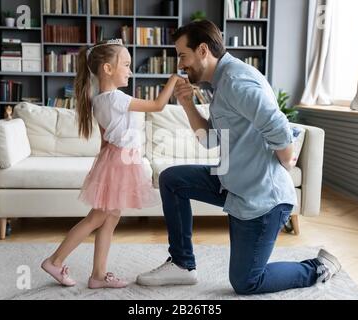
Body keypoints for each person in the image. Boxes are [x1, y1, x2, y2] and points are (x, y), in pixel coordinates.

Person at [136, 21, 341, 294]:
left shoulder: (235, 81)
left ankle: (318, 267)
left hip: (262, 200)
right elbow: (210, 140)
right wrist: (187, 104)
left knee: (246, 282)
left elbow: (278, 126)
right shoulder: (221, 83)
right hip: (232, 183)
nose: (181, 64)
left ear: (202, 50)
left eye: (183, 55)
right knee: (172, 179)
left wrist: (287, 160)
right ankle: (183, 264)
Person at [41, 39, 181, 289]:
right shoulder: (117, 98)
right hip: (120, 162)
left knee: (110, 218)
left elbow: (106, 141)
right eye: (126, 65)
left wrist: (104, 169)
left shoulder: (99, 99)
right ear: (107, 68)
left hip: (116, 160)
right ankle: (54, 260)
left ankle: (98, 275)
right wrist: (174, 79)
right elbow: (158, 106)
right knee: (97, 218)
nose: (130, 70)